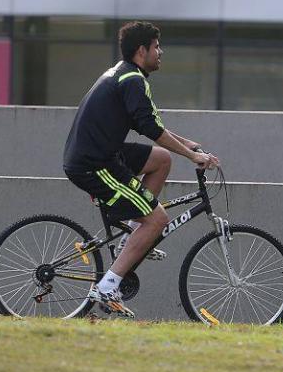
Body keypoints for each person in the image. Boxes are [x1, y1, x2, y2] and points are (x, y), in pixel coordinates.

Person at [62, 21, 219, 318]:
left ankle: (131, 237)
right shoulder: (133, 80)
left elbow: (149, 124)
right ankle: (107, 286)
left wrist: (187, 143)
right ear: (141, 50)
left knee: (161, 160)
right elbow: (149, 127)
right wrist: (191, 156)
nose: (161, 52)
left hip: (104, 154)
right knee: (157, 220)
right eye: (156, 46)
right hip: (95, 164)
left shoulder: (124, 74)